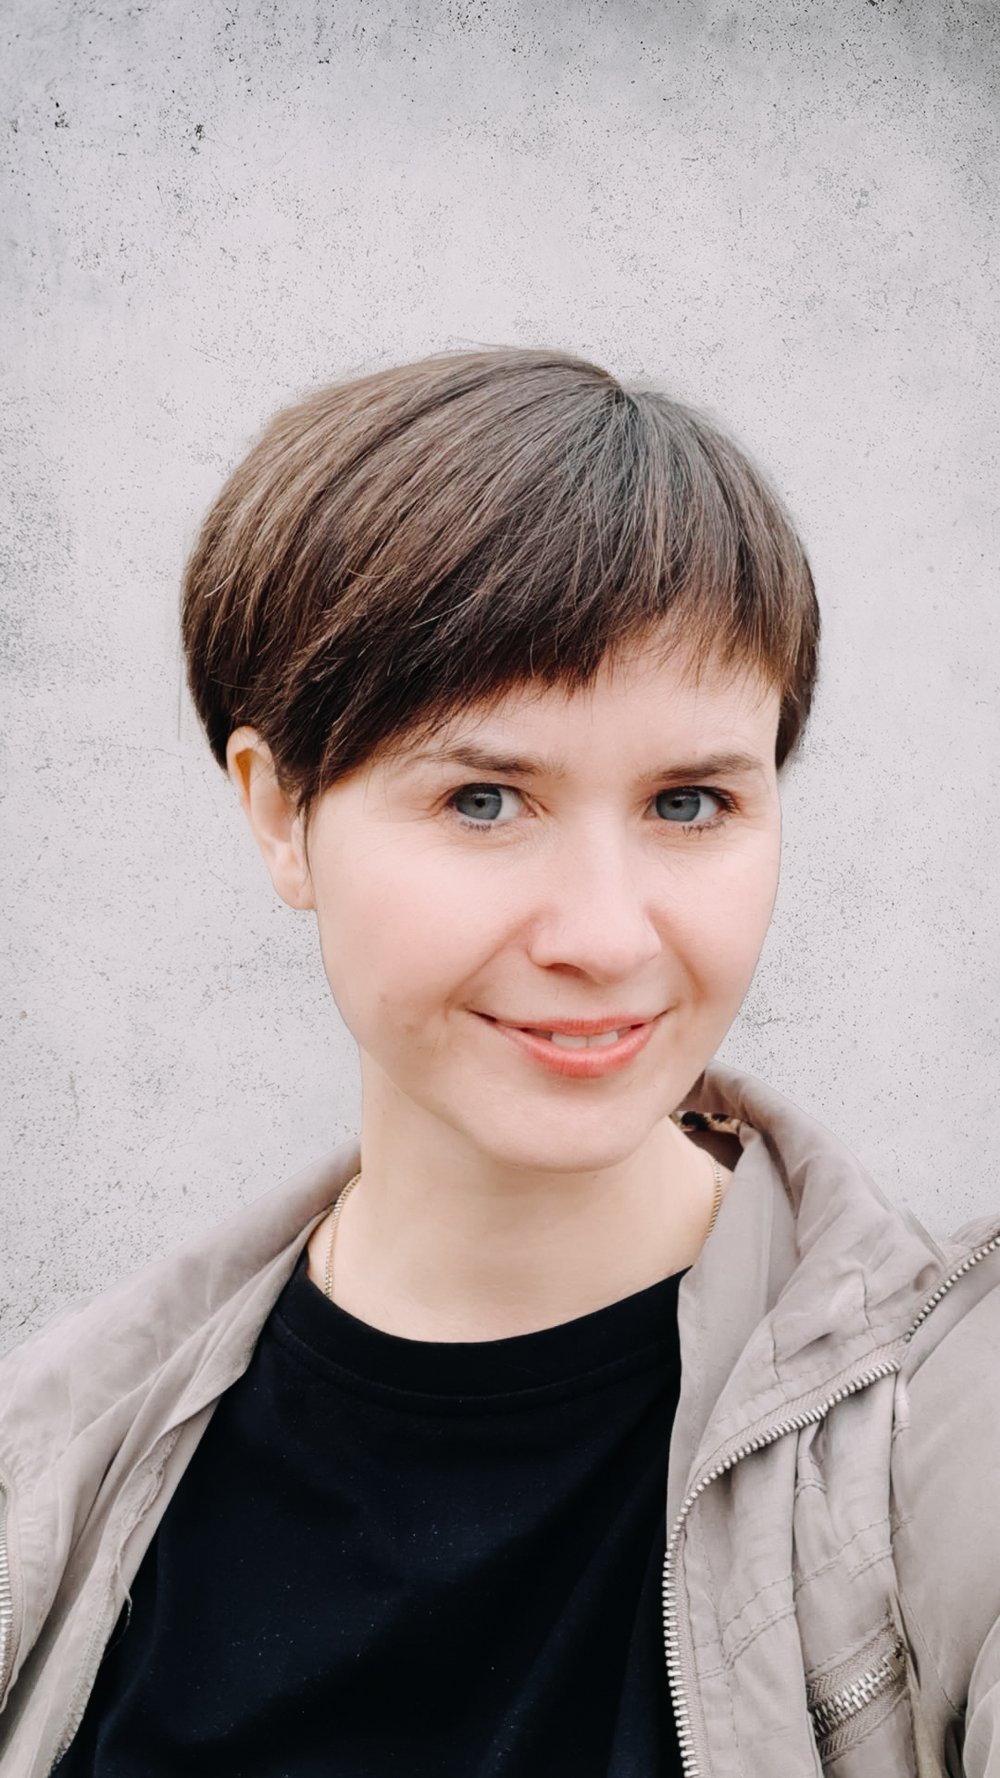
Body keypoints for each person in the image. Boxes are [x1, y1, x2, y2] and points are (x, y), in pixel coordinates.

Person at [0, 346, 997, 1778]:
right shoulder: (46, 1471)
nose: (604, 935)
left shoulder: (949, 1433)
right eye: (484, 799)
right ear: (279, 812)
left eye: (689, 802)